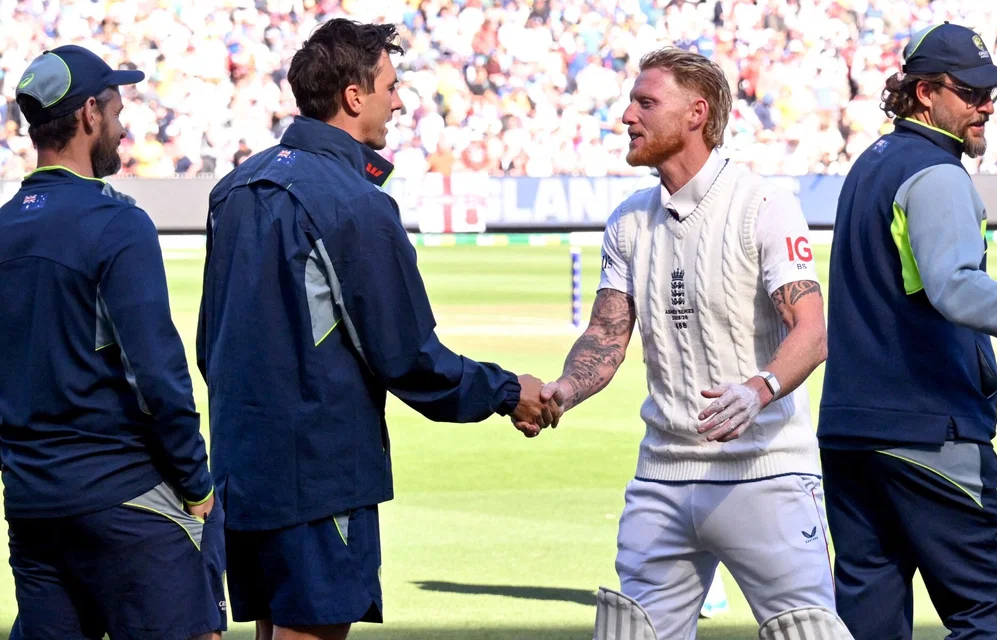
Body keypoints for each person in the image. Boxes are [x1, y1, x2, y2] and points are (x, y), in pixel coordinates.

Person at [197, 19, 559, 640]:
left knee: (270, 628)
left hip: (239, 465)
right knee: (310, 631)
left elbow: (210, 344)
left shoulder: (233, 188)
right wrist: (506, 391)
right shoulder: (353, 201)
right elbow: (407, 356)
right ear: (353, 96)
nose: (400, 100)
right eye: (390, 86)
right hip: (317, 473)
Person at [537, 47, 843, 639]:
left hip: (766, 471)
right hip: (663, 474)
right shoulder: (628, 220)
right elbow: (605, 334)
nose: (627, 115)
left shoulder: (764, 204)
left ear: (696, 113)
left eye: (646, 102)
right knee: (630, 634)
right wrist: (563, 391)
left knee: (809, 632)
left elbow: (813, 329)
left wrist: (759, 390)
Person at [0, 45, 225, 640]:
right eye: (118, 111)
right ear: (88, 115)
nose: (124, 129)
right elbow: (158, 373)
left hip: (32, 506)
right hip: (126, 497)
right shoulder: (116, 222)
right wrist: (198, 486)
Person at [818, 23, 997, 639]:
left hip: (852, 431)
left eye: (992, 91)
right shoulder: (937, 173)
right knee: (996, 608)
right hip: (927, 429)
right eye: (972, 92)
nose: (988, 105)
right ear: (925, 93)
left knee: (868, 621)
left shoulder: (872, 161)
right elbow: (954, 285)